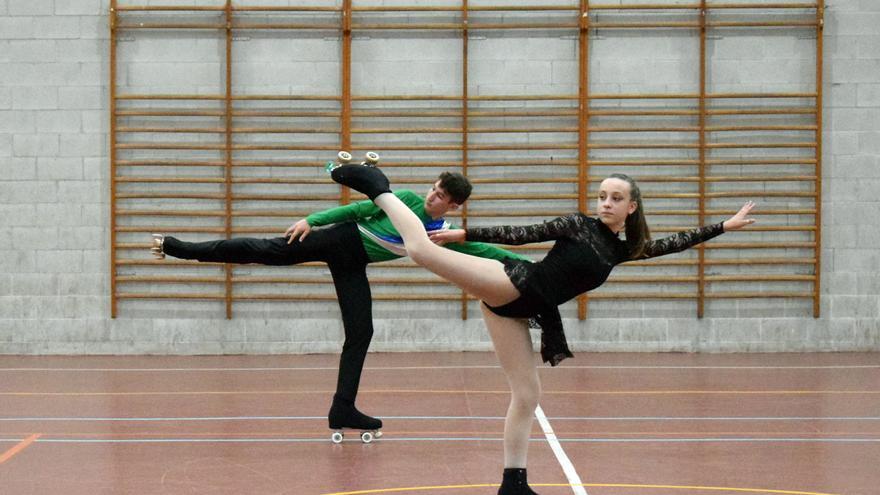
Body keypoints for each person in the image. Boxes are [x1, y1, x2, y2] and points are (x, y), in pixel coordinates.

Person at [329, 163, 756, 494]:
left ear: (632, 207)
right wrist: (463, 234)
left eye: (616, 198)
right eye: (603, 195)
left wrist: (723, 226)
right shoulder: (577, 225)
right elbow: (522, 234)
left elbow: (671, 243)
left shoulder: (623, 250)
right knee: (420, 248)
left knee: (528, 395)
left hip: (516, 310)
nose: (606, 202)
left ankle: (512, 483)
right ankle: (378, 188)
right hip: (513, 282)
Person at [150, 172, 530, 438]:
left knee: (362, 331)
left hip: (353, 262)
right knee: (264, 251)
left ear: (455, 205)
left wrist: (533, 268)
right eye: (433, 188)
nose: (432, 196)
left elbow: (483, 250)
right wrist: (311, 220)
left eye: (441, 195)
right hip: (338, 240)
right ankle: (177, 247)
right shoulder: (408, 201)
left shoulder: (442, 235)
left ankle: (342, 409)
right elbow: (356, 211)